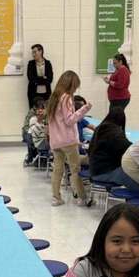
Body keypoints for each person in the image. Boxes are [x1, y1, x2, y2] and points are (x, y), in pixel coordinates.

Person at [47, 71, 92, 207]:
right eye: (75, 86)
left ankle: (56, 198)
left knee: (57, 170)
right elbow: (69, 120)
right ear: (71, 84)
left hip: (56, 142)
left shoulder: (53, 98)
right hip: (68, 141)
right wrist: (84, 109)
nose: (76, 89)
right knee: (75, 170)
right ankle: (82, 198)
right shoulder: (66, 98)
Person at [88, 107, 131, 180]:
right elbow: (126, 147)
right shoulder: (114, 132)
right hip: (105, 171)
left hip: (94, 169)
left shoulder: (99, 128)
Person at [26, 43, 53, 107]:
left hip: (46, 93)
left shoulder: (48, 63)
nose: (33, 54)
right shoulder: (31, 64)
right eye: (32, 53)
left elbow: (50, 79)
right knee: (33, 110)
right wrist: (43, 78)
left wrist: (37, 79)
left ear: (40, 51)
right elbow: (30, 78)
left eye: (35, 52)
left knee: (46, 110)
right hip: (33, 93)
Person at [25, 99, 49, 165]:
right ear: (36, 110)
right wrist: (39, 121)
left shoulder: (46, 118)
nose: (40, 110)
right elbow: (37, 132)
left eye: (42, 108)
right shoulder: (33, 119)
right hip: (40, 142)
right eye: (39, 109)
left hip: (44, 140)